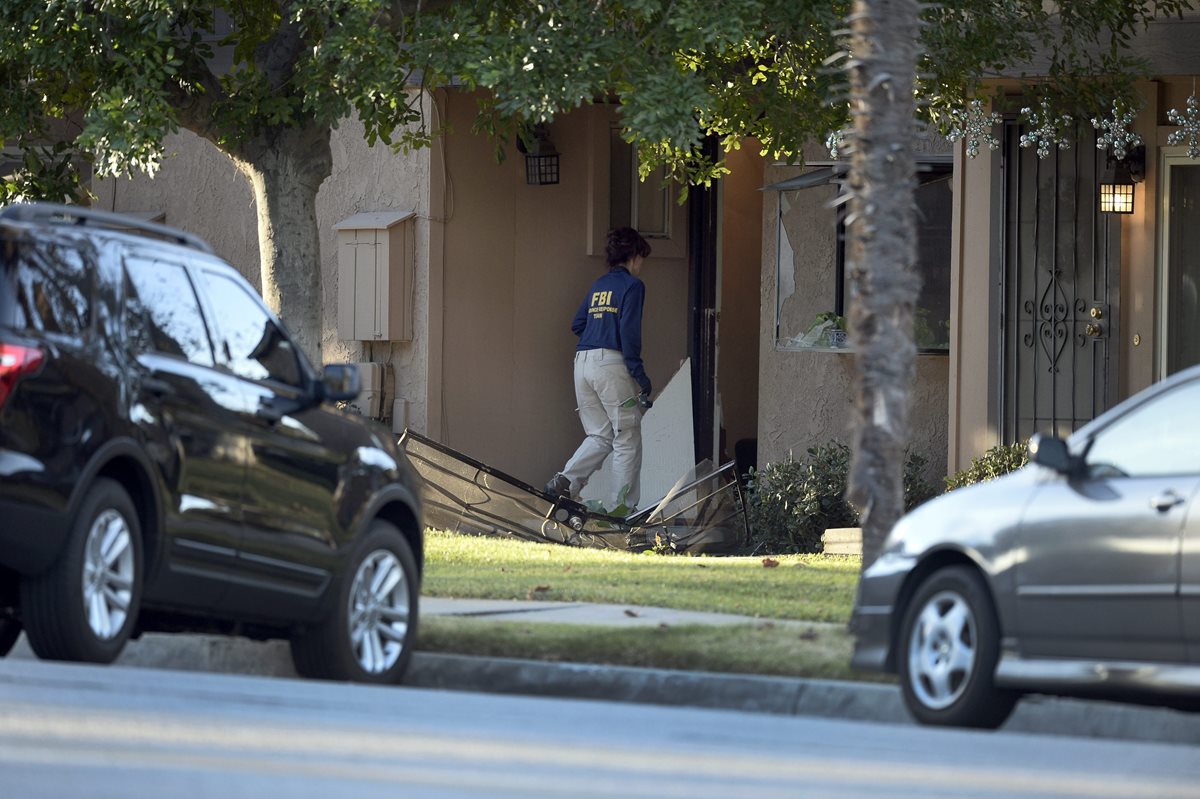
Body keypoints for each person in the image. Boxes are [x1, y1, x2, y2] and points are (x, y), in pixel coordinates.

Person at [546, 227, 653, 511]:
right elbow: (630, 335)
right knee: (627, 436)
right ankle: (623, 511)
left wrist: (600, 332)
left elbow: (577, 324)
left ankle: (566, 481)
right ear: (633, 256)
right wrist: (640, 376)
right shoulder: (633, 286)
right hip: (611, 365)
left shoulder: (599, 284)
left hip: (582, 363)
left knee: (600, 435)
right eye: (641, 258)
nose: (641, 265)